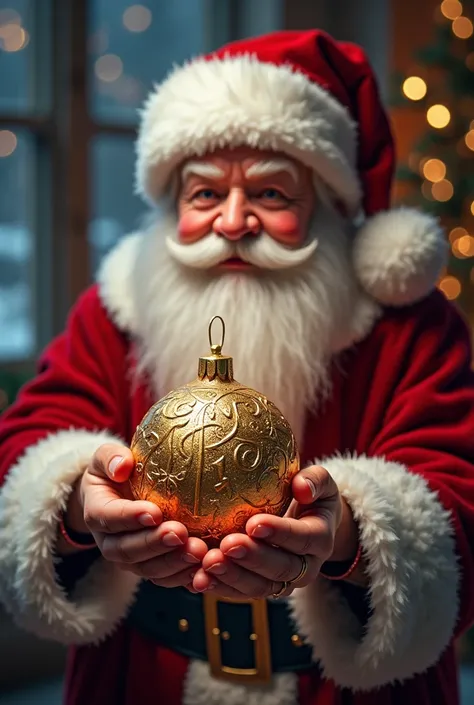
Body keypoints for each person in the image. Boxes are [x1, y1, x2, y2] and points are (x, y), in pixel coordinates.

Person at [0, 28, 473, 705]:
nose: (232, 221)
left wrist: (348, 533)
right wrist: (78, 502)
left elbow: (460, 488)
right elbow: (29, 437)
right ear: (172, 204)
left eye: (272, 195)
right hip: (145, 674)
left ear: (330, 206)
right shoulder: (114, 309)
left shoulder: (408, 325)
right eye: (202, 195)